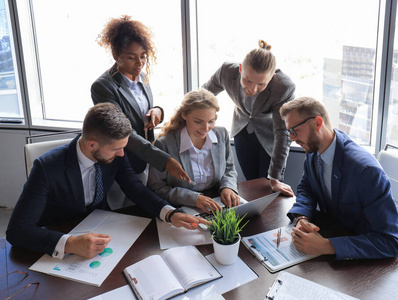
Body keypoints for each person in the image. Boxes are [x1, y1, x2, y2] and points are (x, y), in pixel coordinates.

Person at [6, 103, 207, 259]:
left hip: (104, 231)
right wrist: (69, 243)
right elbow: (17, 231)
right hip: (60, 237)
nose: (122, 154)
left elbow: (136, 189)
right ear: (92, 144)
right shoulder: (46, 168)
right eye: (116, 149)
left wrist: (169, 213)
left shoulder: (115, 153)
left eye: (123, 147)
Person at [279, 97, 398, 270]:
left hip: (386, 266)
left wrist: (326, 246)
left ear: (317, 122)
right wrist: (302, 218)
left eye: (294, 130)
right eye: (289, 132)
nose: (292, 139)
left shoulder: (365, 171)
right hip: (346, 242)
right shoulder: (313, 151)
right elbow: (307, 187)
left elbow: (390, 241)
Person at [91, 15, 190, 185]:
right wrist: (163, 160)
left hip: (144, 160)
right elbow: (122, 131)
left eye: (143, 56)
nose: (140, 63)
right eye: (132, 57)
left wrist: (157, 111)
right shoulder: (103, 87)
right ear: (116, 55)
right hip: (121, 162)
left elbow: (139, 110)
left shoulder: (142, 77)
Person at [203, 40, 295, 197]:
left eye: (261, 84)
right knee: (252, 185)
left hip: (271, 139)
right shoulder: (227, 71)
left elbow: (282, 132)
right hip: (242, 133)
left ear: (271, 77)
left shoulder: (284, 87)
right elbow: (203, 95)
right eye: (247, 80)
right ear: (240, 69)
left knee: (269, 190)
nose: (252, 89)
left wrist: (275, 178)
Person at [148, 89, 239, 213]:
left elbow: (229, 169)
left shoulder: (221, 134)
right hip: (181, 208)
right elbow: (157, 187)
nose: (206, 129)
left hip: (217, 202)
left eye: (211, 121)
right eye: (198, 122)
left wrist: (228, 187)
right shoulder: (164, 144)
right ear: (184, 115)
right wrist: (193, 198)